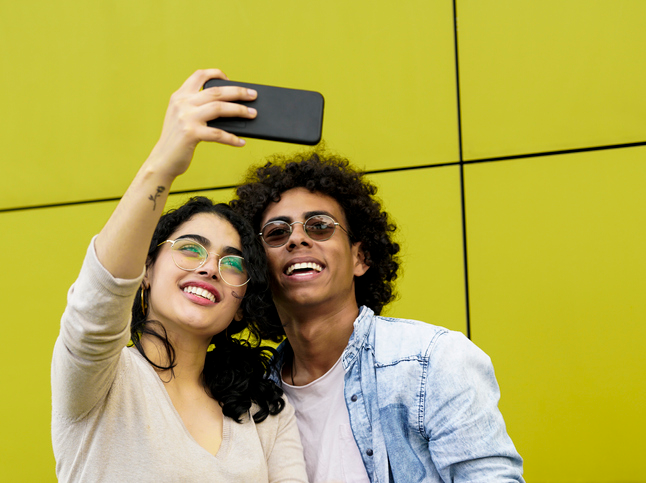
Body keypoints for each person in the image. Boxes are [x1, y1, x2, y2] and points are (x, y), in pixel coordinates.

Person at [51, 69, 307, 482]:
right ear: (146, 272)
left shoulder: (264, 413)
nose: (209, 267)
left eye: (233, 263)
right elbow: (97, 301)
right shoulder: (98, 378)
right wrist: (163, 166)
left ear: (241, 306)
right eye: (190, 248)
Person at [231, 151, 525, 482]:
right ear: (258, 267)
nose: (297, 238)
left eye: (320, 226)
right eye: (276, 233)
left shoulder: (434, 362)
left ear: (361, 257)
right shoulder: (248, 400)